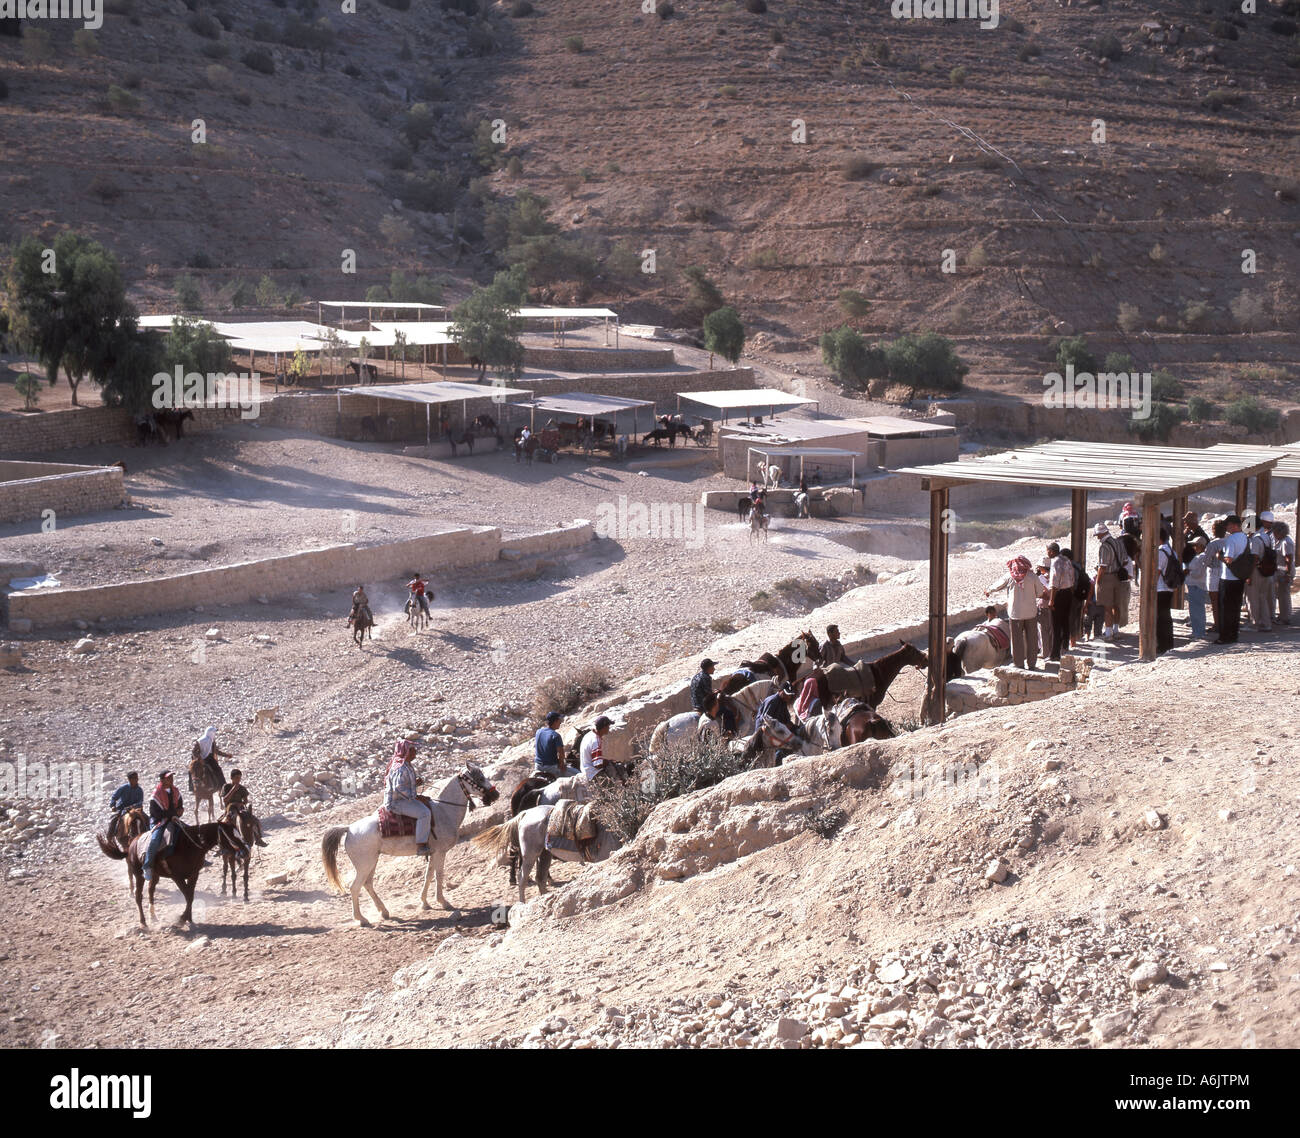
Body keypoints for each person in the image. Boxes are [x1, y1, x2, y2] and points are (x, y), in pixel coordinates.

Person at [986, 556, 1046, 669]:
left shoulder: (1010, 576)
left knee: (1017, 640)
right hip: (1031, 613)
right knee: (1032, 639)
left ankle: (1018, 664)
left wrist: (988, 590)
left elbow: (998, 584)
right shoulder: (1032, 576)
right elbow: (1039, 593)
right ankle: (1032, 664)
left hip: (1015, 614)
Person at [383, 740, 432, 855]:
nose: (415, 752)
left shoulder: (406, 764)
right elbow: (399, 788)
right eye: (412, 750)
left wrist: (415, 783)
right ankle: (421, 846)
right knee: (424, 813)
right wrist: (416, 797)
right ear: (405, 751)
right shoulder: (400, 767)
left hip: (402, 798)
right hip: (396, 802)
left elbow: (403, 784)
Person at [142, 770, 184, 884]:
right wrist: (171, 816)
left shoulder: (175, 791)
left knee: (189, 832)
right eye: (168, 778)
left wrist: (180, 811)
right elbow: (154, 813)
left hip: (173, 819)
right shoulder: (156, 794)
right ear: (162, 780)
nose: (171, 779)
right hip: (159, 821)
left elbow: (180, 805)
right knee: (155, 839)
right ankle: (147, 866)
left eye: (171, 777)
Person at [1093, 522, 1132, 641]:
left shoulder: (1104, 546)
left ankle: (1108, 634)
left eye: (1098, 535)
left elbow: (1103, 567)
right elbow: (1125, 560)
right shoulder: (1119, 543)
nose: (1098, 537)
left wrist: (1098, 581)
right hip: (1119, 577)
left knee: (1107, 607)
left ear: (1101, 533)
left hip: (1107, 578)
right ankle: (1116, 631)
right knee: (1117, 605)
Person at [1215, 515, 1249, 645]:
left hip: (1228, 577)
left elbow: (1229, 559)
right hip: (1239, 576)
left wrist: (1219, 556)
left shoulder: (1231, 539)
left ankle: (1224, 636)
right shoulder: (1244, 537)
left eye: (1228, 525)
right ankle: (1233, 634)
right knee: (1235, 607)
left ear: (1234, 525)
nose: (1226, 527)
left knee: (1225, 608)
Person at [754, 683, 804, 761]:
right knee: (784, 746)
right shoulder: (772, 701)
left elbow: (786, 719)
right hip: (767, 731)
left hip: (780, 728)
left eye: (790, 695)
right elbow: (766, 721)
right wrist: (784, 726)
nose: (789, 697)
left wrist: (793, 727)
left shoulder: (783, 701)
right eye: (786, 694)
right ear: (780, 691)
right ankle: (777, 762)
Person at [1045, 542, 1075, 661]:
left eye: (1047, 550)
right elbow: (1072, 577)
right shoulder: (1066, 560)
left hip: (1059, 594)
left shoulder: (1055, 561)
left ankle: (1054, 654)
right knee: (1065, 621)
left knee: (1055, 625)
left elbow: (1054, 583)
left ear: (1051, 551)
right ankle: (1065, 647)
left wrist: (1051, 600)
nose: (1047, 553)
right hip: (1068, 592)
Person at [1245, 512, 1275, 632]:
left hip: (1256, 571)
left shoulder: (1255, 539)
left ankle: (1254, 624)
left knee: (1252, 598)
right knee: (1263, 597)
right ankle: (1266, 623)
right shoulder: (1266, 536)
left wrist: (1248, 575)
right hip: (1266, 570)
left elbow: (1255, 558)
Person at [220, 769, 268, 845]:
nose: (238, 780)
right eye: (236, 778)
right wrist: (233, 790)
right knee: (222, 825)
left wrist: (241, 803)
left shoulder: (242, 788)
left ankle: (258, 839)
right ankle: (222, 845)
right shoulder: (226, 787)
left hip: (240, 808)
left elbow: (245, 801)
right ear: (231, 778)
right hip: (230, 809)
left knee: (254, 821)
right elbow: (225, 800)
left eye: (239, 778)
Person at [1184, 535, 1211, 641]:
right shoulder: (1200, 556)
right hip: (1195, 585)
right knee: (1195, 609)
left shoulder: (1201, 557)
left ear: (1200, 546)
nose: (1194, 547)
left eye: (1195, 545)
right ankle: (1197, 631)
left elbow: (1199, 573)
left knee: (1197, 610)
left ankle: (1198, 632)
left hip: (1197, 585)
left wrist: (1188, 572)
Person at [1155, 528, 1176, 655]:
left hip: (1160, 588)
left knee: (1160, 619)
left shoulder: (1160, 552)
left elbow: (1157, 572)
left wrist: (1150, 587)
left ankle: (1162, 646)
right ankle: (1169, 644)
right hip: (1169, 587)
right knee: (1166, 617)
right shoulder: (1172, 552)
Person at [107, 770, 143, 844]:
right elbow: (114, 797)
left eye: (137, 778)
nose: (136, 780)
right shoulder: (123, 788)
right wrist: (113, 805)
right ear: (129, 779)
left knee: (146, 818)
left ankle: (148, 834)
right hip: (122, 809)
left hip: (135, 809)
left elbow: (140, 801)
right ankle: (110, 839)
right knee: (113, 820)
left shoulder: (139, 790)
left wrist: (133, 806)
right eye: (134, 778)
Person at [1205, 518, 1227, 636]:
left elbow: (1207, 561)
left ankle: (1217, 624)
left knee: (1214, 601)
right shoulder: (1229, 541)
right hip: (1226, 572)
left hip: (1214, 572)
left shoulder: (1213, 544)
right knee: (1224, 600)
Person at [533, 711, 572, 777]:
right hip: (550, 767)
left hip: (538, 766)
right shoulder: (556, 736)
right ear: (555, 721)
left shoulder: (538, 732)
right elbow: (561, 754)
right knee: (578, 774)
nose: (560, 722)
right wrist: (562, 764)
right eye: (559, 720)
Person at [1271, 520, 1294, 626]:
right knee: (1280, 594)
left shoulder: (1286, 542)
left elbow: (1288, 559)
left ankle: (1285, 617)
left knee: (1284, 595)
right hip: (1280, 571)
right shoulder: (1280, 540)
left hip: (1284, 572)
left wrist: (1288, 574)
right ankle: (1282, 616)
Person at [579, 716, 616, 780]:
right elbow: (597, 764)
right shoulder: (596, 741)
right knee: (614, 787)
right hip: (593, 773)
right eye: (608, 726)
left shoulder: (589, 735)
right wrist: (608, 762)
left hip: (585, 769)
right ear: (604, 728)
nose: (609, 728)